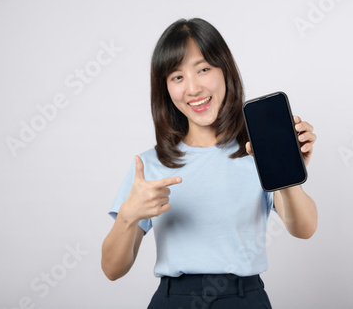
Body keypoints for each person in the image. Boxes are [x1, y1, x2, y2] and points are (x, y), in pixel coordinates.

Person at [101, 18, 318, 309]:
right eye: (177, 77)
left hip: (245, 299)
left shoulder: (256, 152)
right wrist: (128, 215)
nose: (193, 88)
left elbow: (304, 229)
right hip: (173, 301)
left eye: (203, 69)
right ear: (165, 88)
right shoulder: (150, 165)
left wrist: (287, 170)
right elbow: (112, 270)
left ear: (224, 71)